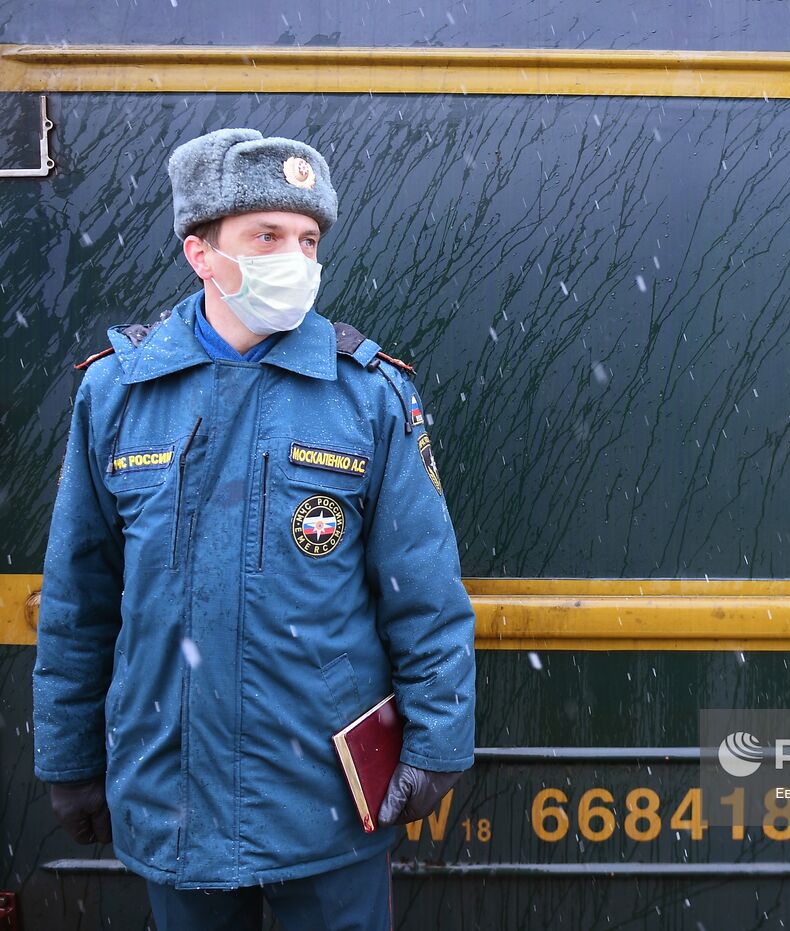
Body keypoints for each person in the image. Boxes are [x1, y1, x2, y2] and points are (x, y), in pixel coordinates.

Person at [32, 128, 477, 930]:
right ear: (200, 252)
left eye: (308, 240)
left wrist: (439, 742)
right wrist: (68, 758)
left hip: (327, 803)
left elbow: (427, 594)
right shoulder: (117, 395)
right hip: (173, 797)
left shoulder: (367, 396)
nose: (294, 260)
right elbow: (78, 601)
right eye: (266, 236)